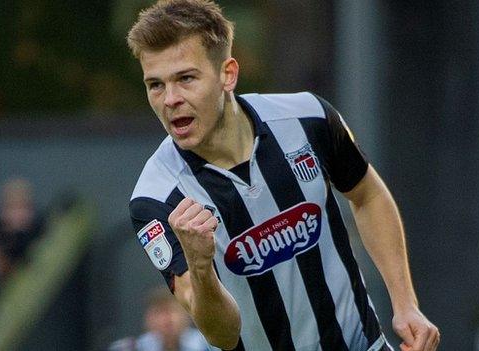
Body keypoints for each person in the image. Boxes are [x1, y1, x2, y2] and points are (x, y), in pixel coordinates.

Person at [127, 1, 440, 350]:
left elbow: (367, 195)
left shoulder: (308, 117)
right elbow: (222, 335)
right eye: (155, 85)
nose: (170, 99)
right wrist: (201, 267)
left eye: (186, 78)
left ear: (227, 74)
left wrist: (405, 303)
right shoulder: (155, 198)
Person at [109, 286, 208, 351]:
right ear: (148, 319)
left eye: (172, 310)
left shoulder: (210, 346)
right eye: (160, 312)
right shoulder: (128, 348)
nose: (168, 319)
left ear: (187, 315)